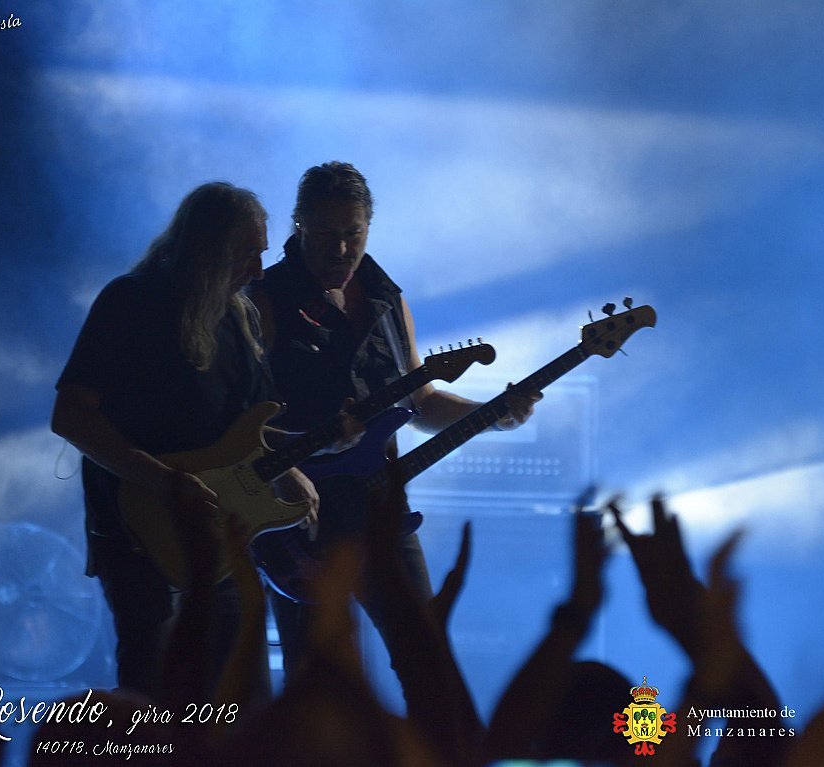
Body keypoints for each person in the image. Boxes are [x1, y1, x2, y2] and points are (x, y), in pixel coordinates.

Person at [247, 161, 539, 674]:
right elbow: (236, 423)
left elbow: (421, 401)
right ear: (299, 225)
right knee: (316, 682)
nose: (341, 249)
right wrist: (305, 444)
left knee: (428, 661)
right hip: (298, 519)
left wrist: (494, 416)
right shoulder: (264, 300)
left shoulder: (385, 298)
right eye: (326, 234)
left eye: (353, 233)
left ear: (370, 226)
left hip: (380, 506)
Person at [51, 182, 320, 703]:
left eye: (261, 255)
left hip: (223, 540)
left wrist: (297, 464)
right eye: (246, 254)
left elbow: (251, 431)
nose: (258, 272)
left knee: (242, 704)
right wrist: (165, 481)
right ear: (206, 248)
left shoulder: (239, 318)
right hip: (138, 535)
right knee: (154, 701)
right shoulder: (129, 301)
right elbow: (71, 416)